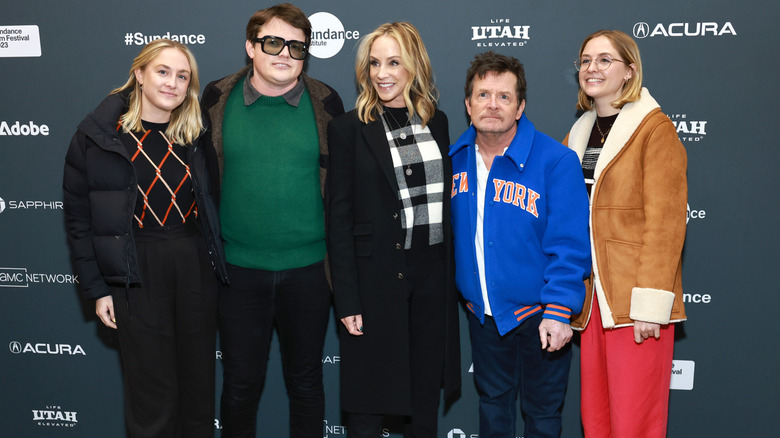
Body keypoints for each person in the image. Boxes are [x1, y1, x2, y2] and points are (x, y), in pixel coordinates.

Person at [63, 38, 227, 438]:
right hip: (135, 271)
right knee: (151, 395)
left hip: (192, 266)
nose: (172, 83)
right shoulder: (98, 137)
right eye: (163, 71)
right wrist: (99, 288)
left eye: (182, 76)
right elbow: (80, 221)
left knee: (198, 389)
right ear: (139, 74)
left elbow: (212, 206)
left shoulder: (195, 135)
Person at [199, 3, 344, 437]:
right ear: (251, 46)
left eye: (296, 46)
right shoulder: (216, 99)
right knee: (240, 387)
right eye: (273, 42)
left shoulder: (326, 102)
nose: (284, 53)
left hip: (310, 272)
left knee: (306, 383)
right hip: (238, 272)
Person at [327, 22, 460, 438]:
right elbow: (338, 218)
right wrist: (347, 298)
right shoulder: (349, 128)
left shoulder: (437, 122)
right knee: (368, 403)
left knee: (422, 401)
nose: (382, 73)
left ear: (414, 66)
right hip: (374, 279)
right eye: (374, 64)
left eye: (393, 62)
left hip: (431, 278)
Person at [449, 51, 591, 438]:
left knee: (542, 414)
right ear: (468, 103)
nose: (492, 105)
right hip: (483, 315)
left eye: (504, 96)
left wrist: (560, 310)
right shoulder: (454, 160)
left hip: (540, 313)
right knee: (493, 407)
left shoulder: (555, 161)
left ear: (520, 106)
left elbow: (571, 245)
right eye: (483, 95)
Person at [563, 29, 688, 438]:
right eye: (585, 60)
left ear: (629, 71)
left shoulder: (654, 129)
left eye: (604, 60)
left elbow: (666, 224)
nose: (591, 68)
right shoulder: (578, 134)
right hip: (592, 299)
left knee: (635, 421)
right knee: (596, 418)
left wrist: (650, 305)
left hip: (634, 303)